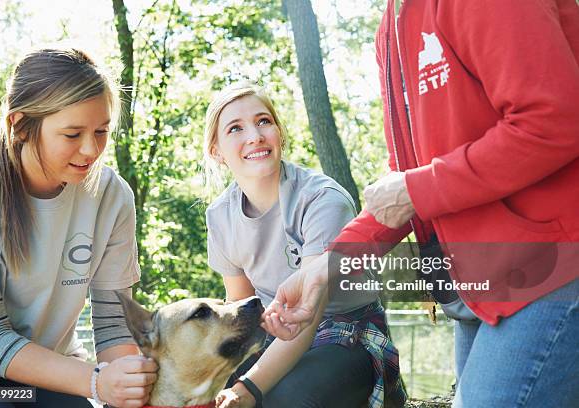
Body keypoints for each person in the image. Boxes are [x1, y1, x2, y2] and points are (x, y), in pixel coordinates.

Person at [265, 0, 579, 407]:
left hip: (553, 267)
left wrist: (419, 188)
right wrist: (327, 267)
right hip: (480, 286)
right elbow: (406, 180)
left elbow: (553, 120)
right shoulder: (389, 29)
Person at [0, 47, 158, 408]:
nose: (91, 150)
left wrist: (128, 391)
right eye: (72, 134)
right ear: (19, 125)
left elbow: (114, 321)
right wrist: (98, 383)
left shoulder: (111, 196)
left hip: (52, 371)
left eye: (101, 131)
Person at [203, 83, 406, 408]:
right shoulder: (220, 216)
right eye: (236, 128)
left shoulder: (322, 199)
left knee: (287, 398)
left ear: (279, 132)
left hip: (348, 338)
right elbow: (243, 310)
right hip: (274, 339)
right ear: (217, 151)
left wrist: (246, 390)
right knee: (206, 386)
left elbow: (307, 315)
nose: (254, 135)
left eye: (264, 121)